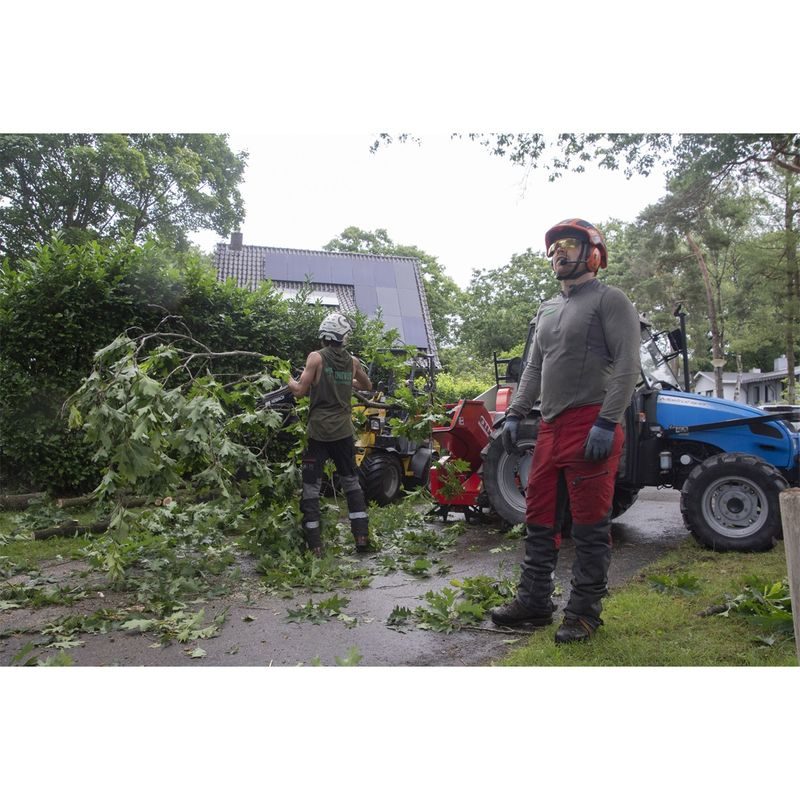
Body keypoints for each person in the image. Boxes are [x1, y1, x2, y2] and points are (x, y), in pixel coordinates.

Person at [490, 219, 641, 643]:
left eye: (570, 244)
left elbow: (628, 364)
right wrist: (516, 412)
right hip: (550, 427)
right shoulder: (547, 308)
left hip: (591, 422)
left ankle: (583, 613)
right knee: (539, 517)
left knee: (590, 525)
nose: (559, 252)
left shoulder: (611, 300)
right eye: (555, 246)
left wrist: (607, 422)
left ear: (593, 254)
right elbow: (534, 367)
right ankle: (534, 602)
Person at [288, 312, 373, 556]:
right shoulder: (353, 362)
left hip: (318, 433)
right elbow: (367, 386)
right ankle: (361, 536)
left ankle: (315, 545)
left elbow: (299, 391)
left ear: (324, 335)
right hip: (344, 433)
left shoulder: (315, 357)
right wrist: (347, 383)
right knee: (351, 482)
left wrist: (285, 378)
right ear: (343, 337)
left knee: (311, 487)